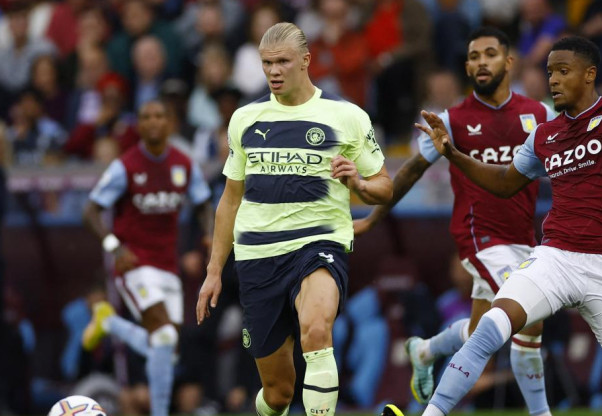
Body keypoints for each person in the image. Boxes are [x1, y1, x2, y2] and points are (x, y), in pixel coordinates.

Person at [384, 36, 602, 416]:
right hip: (557, 258)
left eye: (563, 71)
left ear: (590, 75)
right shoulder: (544, 136)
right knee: (492, 324)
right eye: (550, 72)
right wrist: (453, 153)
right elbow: (504, 182)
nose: (553, 80)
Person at [196, 22, 392, 416]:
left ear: (305, 61)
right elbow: (230, 201)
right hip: (257, 258)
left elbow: (384, 185)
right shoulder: (244, 119)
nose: (273, 71)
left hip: (319, 244)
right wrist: (214, 270)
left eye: (282, 61)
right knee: (278, 392)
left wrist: (359, 183)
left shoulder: (346, 115)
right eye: (267, 63)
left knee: (317, 331)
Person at [356, 27, 554, 416]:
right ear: (467, 66)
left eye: (490, 54)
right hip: (480, 235)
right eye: (474, 56)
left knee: (495, 327)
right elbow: (411, 170)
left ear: (508, 62)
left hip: (523, 237)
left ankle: (426, 349)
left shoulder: (538, 114)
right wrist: (374, 218)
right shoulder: (451, 120)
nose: (481, 62)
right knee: (524, 317)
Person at [81, 100, 214, 416]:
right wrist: (115, 246)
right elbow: (90, 212)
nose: (153, 122)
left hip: (168, 265)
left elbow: (204, 204)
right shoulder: (125, 166)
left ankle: (109, 322)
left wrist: (207, 233)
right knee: (164, 336)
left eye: (160, 116)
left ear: (170, 123)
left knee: (168, 351)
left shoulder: (184, 164)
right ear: (139, 125)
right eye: (146, 117)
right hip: (134, 264)